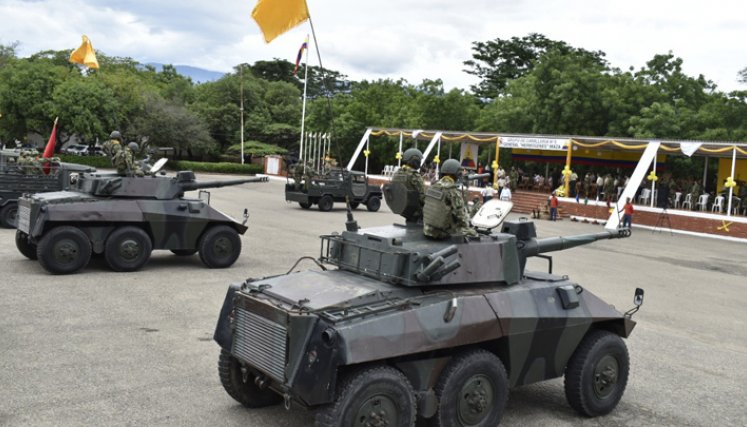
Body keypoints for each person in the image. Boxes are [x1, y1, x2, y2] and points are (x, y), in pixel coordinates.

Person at [423, 159, 478, 240]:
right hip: (441, 233)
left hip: (427, 230)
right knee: (473, 233)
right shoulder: (453, 191)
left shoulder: (432, 187)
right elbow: (461, 217)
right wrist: (469, 226)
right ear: (457, 174)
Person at [391, 148, 426, 223]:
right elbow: (422, 197)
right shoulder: (414, 176)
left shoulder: (397, 173)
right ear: (415, 161)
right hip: (417, 212)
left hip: (404, 209)